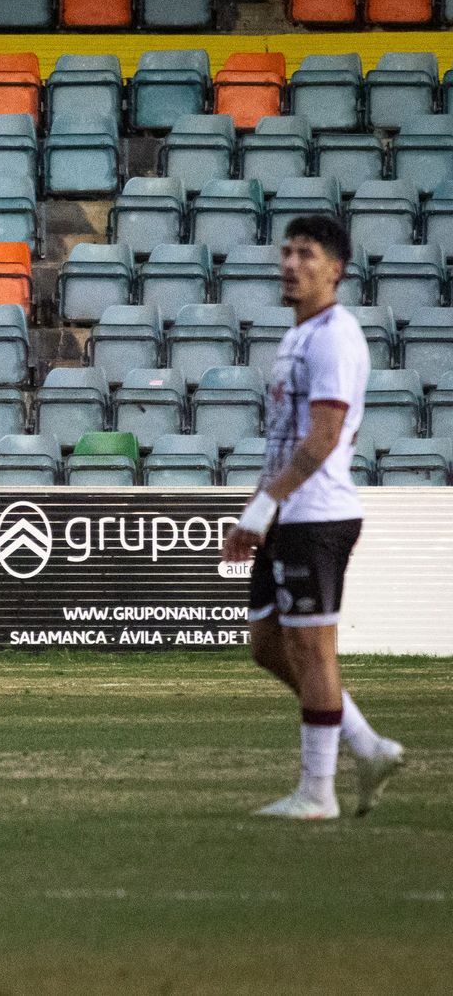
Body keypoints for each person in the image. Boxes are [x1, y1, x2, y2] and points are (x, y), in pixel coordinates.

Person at [221, 215, 405, 820]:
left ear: (336, 269)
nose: (291, 264)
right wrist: (264, 508)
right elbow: (288, 437)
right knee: (269, 646)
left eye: (307, 254)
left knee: (314, 651)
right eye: (287, 252)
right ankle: (365, 744)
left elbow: (324, 437)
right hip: (287, 515)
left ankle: (317, 792)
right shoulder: (298, 335)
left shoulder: (335, 337)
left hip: (316, 517)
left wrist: (262, 506)